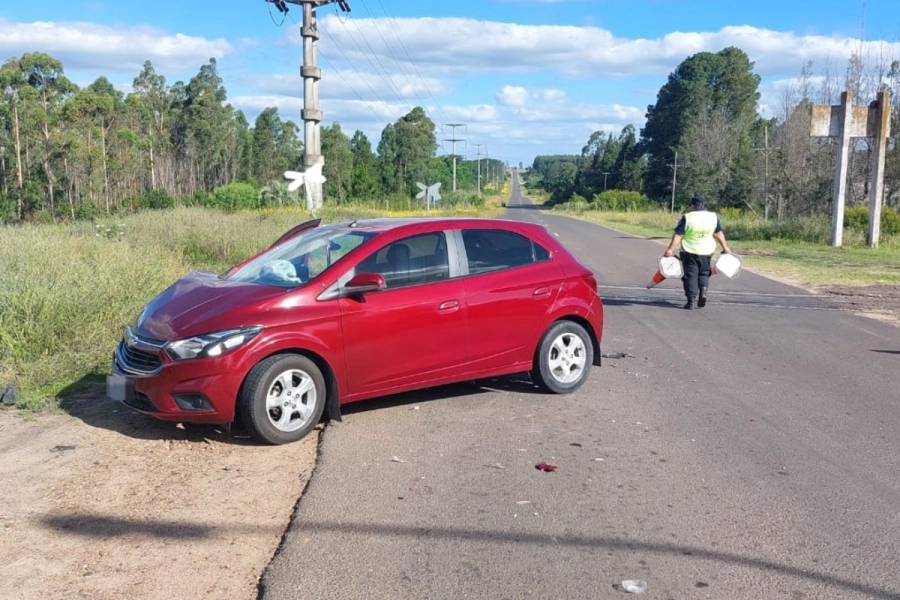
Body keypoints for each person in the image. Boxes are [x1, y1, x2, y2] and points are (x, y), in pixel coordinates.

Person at [663, 196, 732, 310]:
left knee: (690, 275)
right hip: (707, 251)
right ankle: (703, 292)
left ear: (692, 206)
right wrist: (725, 248)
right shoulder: (712, 217)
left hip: (690, 251)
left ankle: (691, 301)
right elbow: (719, 233)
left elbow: (678, 235)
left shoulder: (688, 217)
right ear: (703, 205)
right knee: (704, 273)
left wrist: (670, 250)